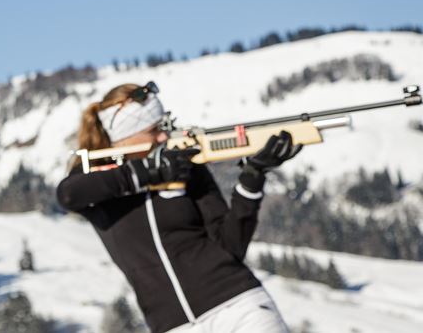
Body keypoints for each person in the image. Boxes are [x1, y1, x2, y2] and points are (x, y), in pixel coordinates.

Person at [56, 82, 301, 333]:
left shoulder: (185, 167)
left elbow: (231, 245)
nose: (163, 136)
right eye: (154, 130)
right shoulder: (97, 181)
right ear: (124, 137)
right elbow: (68, 194)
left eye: (164, 127)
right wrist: (149, 173)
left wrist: (253, 177)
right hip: (173, 325)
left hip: (239, 306)